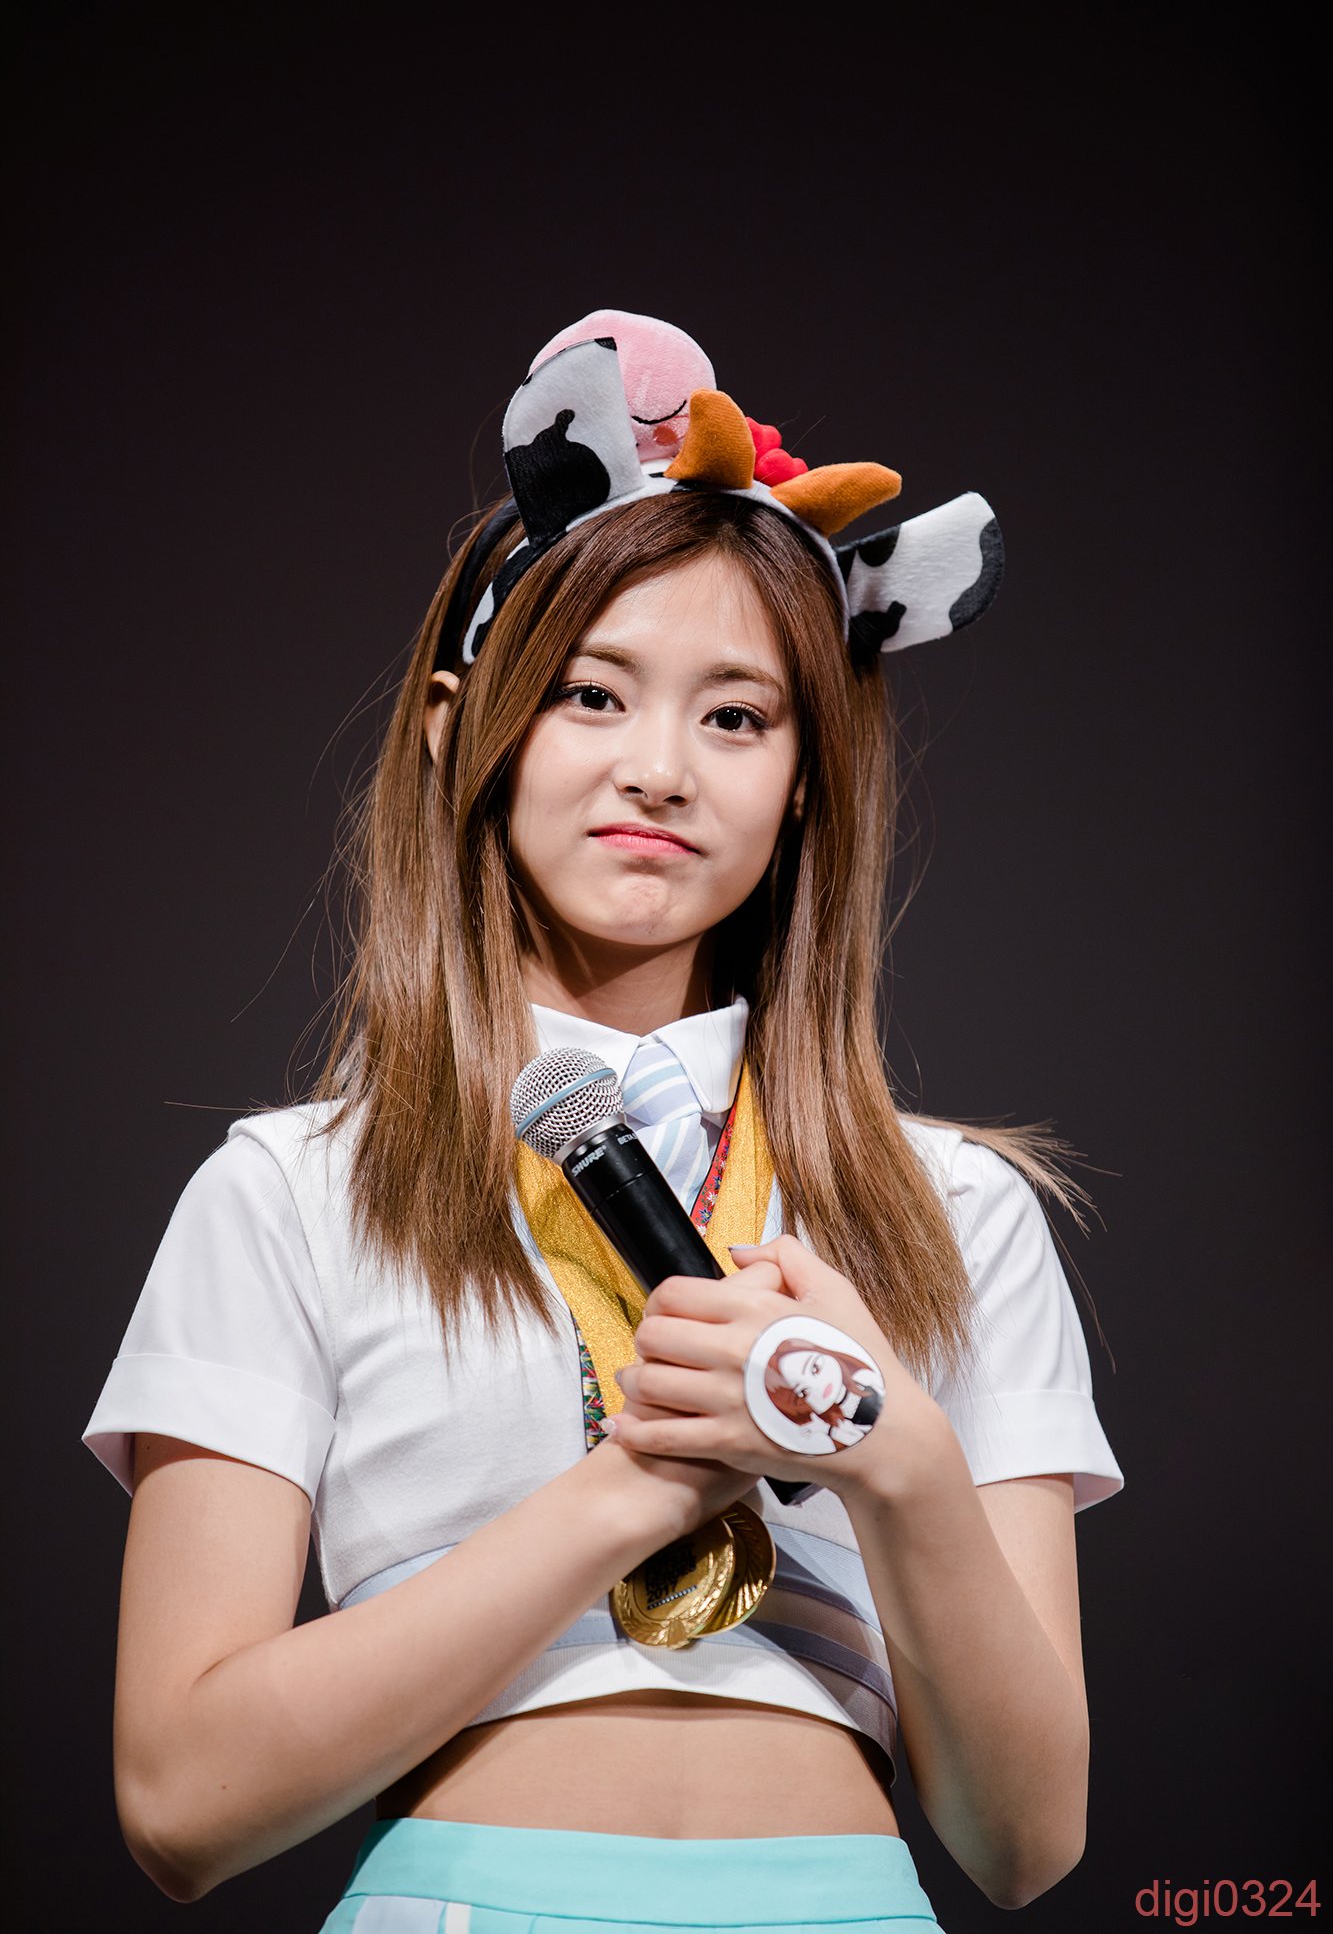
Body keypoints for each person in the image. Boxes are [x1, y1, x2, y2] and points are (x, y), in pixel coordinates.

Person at [83, 310, 1124, 1934]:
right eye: (589, 695)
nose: (661, 769)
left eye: (737, 716)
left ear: (805, 781)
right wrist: (637, 1487)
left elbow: (1025, 1842)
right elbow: (181, 1805)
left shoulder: (953, 1207)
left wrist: (893, 1455)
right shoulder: (290, 1192)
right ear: (463, 729)